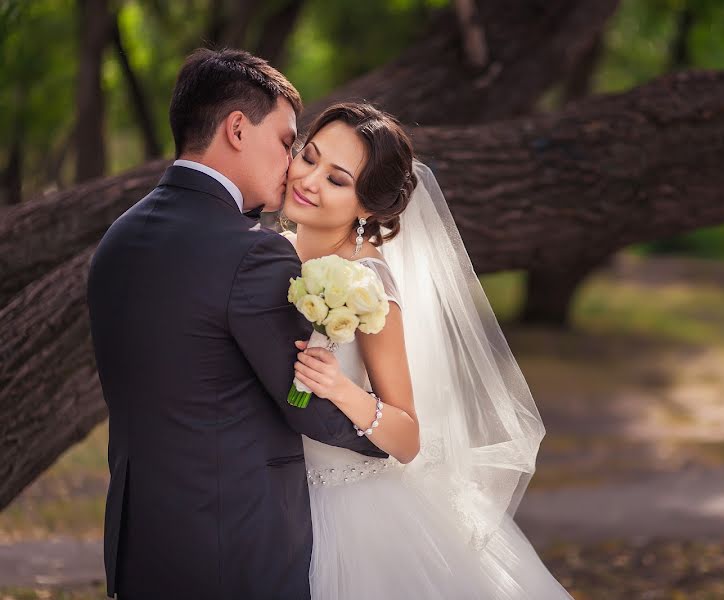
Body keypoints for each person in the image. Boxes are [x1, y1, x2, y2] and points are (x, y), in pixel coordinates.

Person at [86, 49, 383, 600]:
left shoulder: (118, 238)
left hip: (140, 541)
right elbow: (305, 403)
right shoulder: (252, 255)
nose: (293, 162)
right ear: (238, 129)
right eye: (287, 141)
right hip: (236, 543)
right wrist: (392, 435)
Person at [282, 102, 573, 599]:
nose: (308, 181)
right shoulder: (270, 250)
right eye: (308, 158)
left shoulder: (367, 284)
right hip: (277, 496)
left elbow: (407, 435)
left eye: (337, 179)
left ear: (368, 206)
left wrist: (340, 389)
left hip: (352, 511)